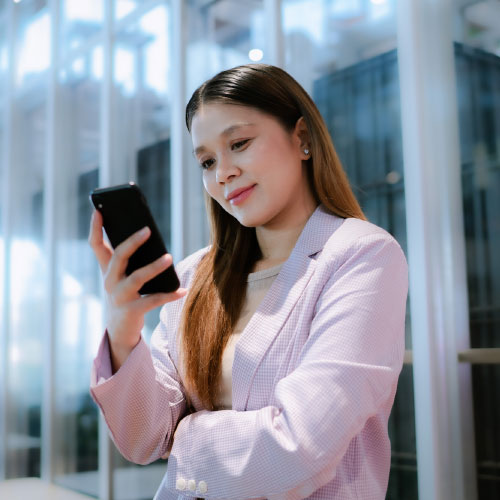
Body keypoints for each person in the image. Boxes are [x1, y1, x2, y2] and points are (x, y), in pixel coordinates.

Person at [89, 64, 408, 500]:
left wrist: (186, 436)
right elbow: (144, 438)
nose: (222, 173)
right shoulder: (194, 276)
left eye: (238, 144)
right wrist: (124, 333)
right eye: (206, 161)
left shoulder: (362, 254)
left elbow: (299, 447)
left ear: (303, 138)